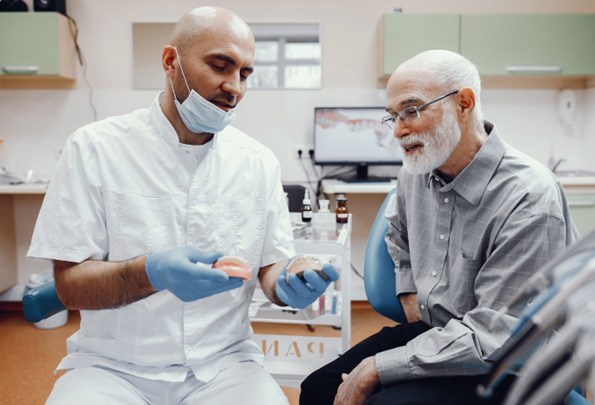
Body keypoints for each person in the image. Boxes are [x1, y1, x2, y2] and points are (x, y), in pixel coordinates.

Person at [28, 6, 338, 405]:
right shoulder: (94, 149)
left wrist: (288, 281)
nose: (234, 87)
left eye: (244, 74)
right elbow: (70, 285)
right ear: (171, 61)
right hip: (112, 367)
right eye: (220, 65)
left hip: (224, 367)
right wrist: (149, 272)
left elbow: (270, 263)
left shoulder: (257, 162)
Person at [299, 49, 578, 404]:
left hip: (513, 359)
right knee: (317, 390)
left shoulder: (529, 196)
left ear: (464, 102)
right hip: (439, 334)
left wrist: (377, 367)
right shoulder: (414, 172)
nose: (399, 130)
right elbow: (396, 237)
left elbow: (499, 335)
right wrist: (408, 292)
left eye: (412, 111)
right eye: (393, 117)